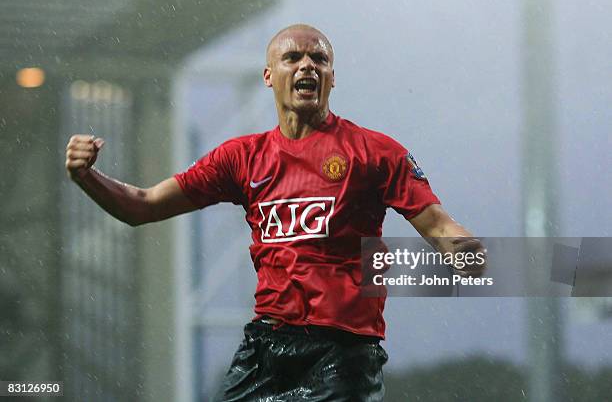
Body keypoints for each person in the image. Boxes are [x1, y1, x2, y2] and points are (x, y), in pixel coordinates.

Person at [65, 24, 486, 402]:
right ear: (269, 76)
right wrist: (88, 177)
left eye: (319, 59)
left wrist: (468, 253)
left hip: (343, 355)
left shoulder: (375, 153)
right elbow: (143, 205)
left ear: (332, 78)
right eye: (293, 57)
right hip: (266, 349)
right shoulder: (241, 158)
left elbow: (438, 225)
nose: (308, 66)